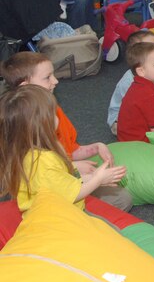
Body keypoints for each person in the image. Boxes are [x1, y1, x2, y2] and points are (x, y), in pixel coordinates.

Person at [0, 52, 132, 211]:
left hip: (61, 180)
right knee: (121, 199)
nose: (55, 81)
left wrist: (96, 148)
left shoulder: (46, 115)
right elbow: (45, 173)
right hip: (53, 201)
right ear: (25, 85)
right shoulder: (20, 132)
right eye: (47, 77)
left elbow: (68, 151)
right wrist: (84, 174)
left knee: (119, 195)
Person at [106, 30, 154, 135]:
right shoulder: (129, 81)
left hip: (149, 109)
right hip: (119, 120)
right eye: (150, 47)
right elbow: (134, 110)